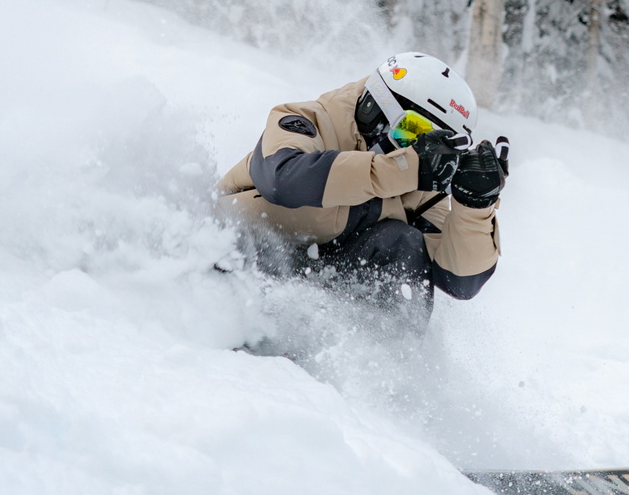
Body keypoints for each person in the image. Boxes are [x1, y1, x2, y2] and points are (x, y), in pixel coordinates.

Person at [215, 52, 508, 333]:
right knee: (331, 203)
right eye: (411, 131)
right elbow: (282, 181)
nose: (415, 150)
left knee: (403, 242)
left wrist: (474, 207)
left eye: (438, 145)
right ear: (374, 107)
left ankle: (384, 361)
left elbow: (460, 281)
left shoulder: (419, 186)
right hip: (231, 252)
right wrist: (402, 169)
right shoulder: (309, 120)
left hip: (314, 290)